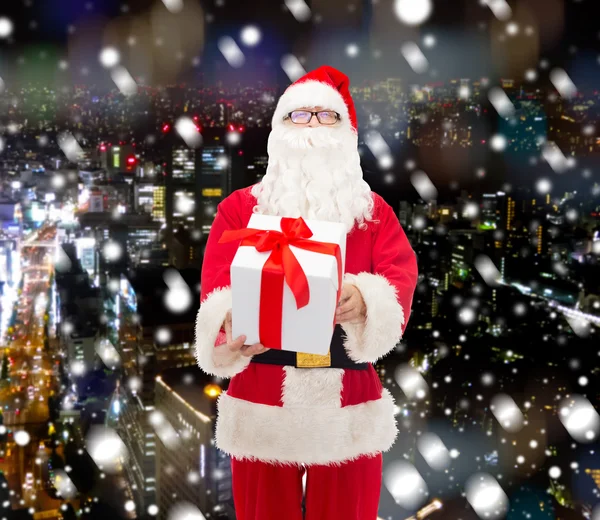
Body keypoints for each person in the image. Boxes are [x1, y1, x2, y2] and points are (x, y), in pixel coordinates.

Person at [195, 65, 418, 520]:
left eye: (326, 116)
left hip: (347, 393)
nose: (314, 126)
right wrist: (231, 325)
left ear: (346, 131)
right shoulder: (238, 209)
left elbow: (399, 280)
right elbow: (215, 288)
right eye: (300, 115)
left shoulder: (373, 214)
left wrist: (366, 300)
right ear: (280, 129)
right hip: (260, 392)